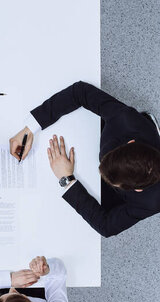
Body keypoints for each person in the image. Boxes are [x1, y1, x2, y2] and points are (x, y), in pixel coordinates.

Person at [9, 81, 160, 237]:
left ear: (138, 189)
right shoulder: (125, 119)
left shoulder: (151, 201)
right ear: (130, 142)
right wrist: (30, 129)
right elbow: (80, 92)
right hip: (134, 130)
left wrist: (67, 179)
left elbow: (107, 227)